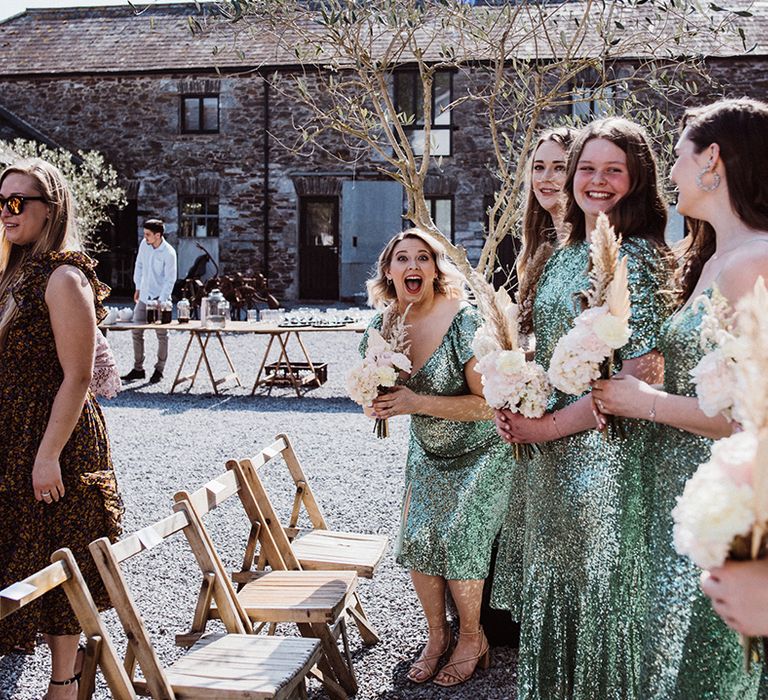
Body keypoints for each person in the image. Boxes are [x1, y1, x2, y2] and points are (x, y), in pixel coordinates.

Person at [592, 98, 768, 698]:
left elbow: (755, 420)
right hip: (673, 492)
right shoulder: (716, 255)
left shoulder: (754, 263)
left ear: (712, 159)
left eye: (676, 156)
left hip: (721, 507)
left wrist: (645, 401)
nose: (668, 172)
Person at [495, 117, 672, 699]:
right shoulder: (566, 249)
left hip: (603, 467)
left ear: (637, 178)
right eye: (588, 168)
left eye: (613, 170)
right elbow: (549, 345)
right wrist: (517, 388)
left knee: (599, 605)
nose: (597, 181)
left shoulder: (636, 256)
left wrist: (543, 426)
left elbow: (635, 378)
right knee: (558, 599)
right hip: (551, 463)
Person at [360, 228, 513, 687]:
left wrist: (415, 403)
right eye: (401, 258)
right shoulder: (382, 328)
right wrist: (374, 400)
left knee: (461, 532)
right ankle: (436, 635)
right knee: (417, 536)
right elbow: (371, 388)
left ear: (435, 269)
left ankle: (472, 637)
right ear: (389, 272)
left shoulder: (463, 322)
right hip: (428, 448)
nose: (412, 266)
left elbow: (490, 406)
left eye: (422, 258)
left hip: (483, 449)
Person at [0, 158, 123, 699]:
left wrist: (47, 455)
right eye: (1, 202)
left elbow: (76, 378)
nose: (7, 212)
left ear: (50, 210)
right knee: (19, 550)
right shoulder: (12, 273)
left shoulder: (63, 277)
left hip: (55, 437)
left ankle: (66, 679)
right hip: (11, 433)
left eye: (17, 202)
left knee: (59, 550)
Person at [490, 125, 576, 619]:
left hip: (579, 413)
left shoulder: (587, 245)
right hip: (541, 407)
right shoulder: (536, 243)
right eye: (538, 166)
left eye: (559, 166)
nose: (546, 178)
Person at [121, 218, 177, 384]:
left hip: (160, 299)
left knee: (162, 335)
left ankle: (159, 369)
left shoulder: (169, 252)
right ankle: (138, 369)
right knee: (136, 331)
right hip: (144, 296)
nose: (144, 237)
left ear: (158, 235)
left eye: (148, 234)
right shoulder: (144, 245)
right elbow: (139, 265)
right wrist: (137, 287)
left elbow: (170, 279)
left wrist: (162, 300)